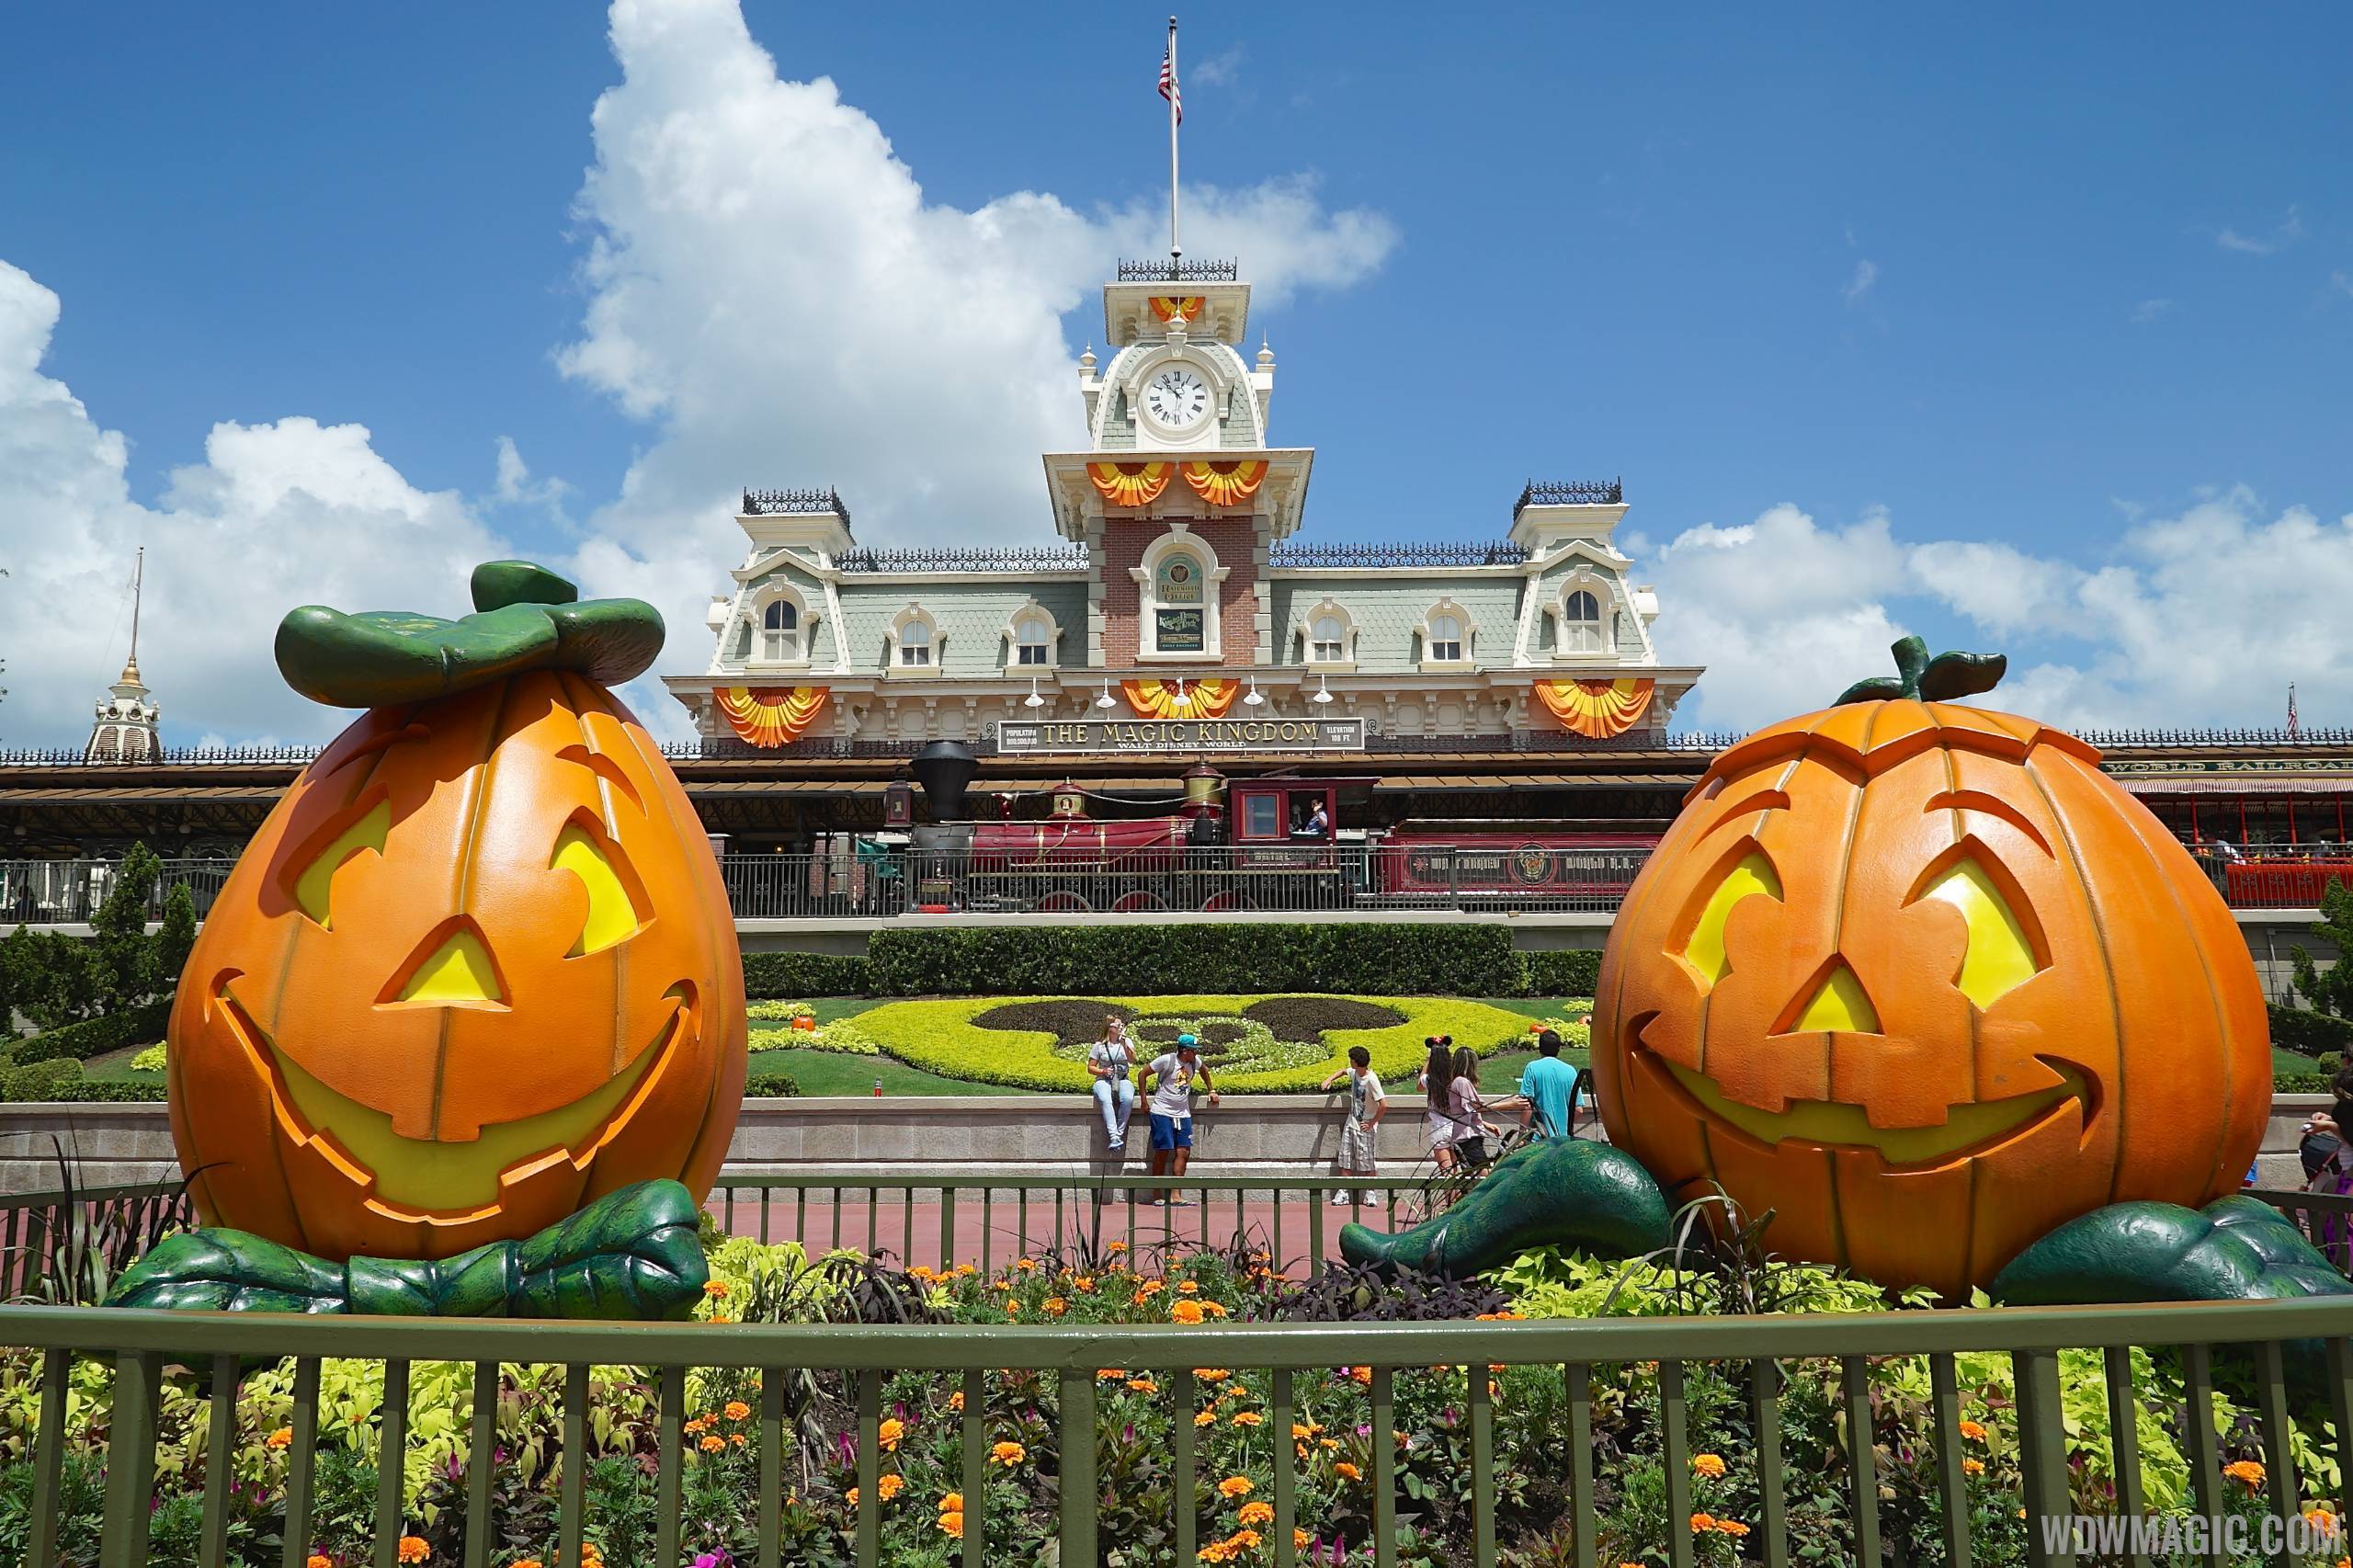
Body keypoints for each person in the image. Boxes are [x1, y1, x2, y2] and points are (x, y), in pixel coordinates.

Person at [1139, 1034, 1219, 1204]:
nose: (1196, 1054)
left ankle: (1176, 1194)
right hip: (1162, 1112)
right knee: (1162, 1151)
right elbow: (1142, 1074)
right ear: (1184, 1050)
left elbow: (1204, 1070)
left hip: (1183, 1114)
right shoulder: (1166, 1061)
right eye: (1194, 1050)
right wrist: (1144, 1101)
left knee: (1183, 1152)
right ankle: (1157, 1193)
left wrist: (1211, 1090)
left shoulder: (1194, 1062)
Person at [1318, 1045, 1387, 1204]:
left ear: (1356, 1062)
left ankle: (1371, 1193)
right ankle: (1343, 1192)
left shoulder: (1371, 1079)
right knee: (1345, 1158)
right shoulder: (1355, 1073)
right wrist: (1329, 1079)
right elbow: (1343, 1071)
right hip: (1351, 1123)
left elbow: (1384, 1104)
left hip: (1364, 1127)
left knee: (1367, 1161)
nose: (1350, 1063)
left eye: (1351, 1060)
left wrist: (1371, 1123)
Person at [1494, 1028, 1582, 1140]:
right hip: (1563, 1140)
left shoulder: (1532, 1068)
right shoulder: (1571, 1071)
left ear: (1540, 1048)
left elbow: (1527, 1105)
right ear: (1559, 1049)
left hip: (1538, 1139)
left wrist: (1522, 1136)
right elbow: (1579, 1110)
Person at [1448, 1043, 1504, 1169]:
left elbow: (1465, 1111)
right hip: (1468, 1141)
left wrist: (1484, 1124)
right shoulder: (1462, 1082)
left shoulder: (1456, 1082)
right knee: (1486, 1179)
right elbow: (1479, 1106)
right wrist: (1510, 1104)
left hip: (1466, 1140)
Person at [1086, 1015, 1138, 1152]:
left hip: (1122, 1078)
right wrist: (1103, 1071)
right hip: (1104, 1079)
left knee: (1127, 1099)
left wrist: (1124, 1043)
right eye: (1118, 1025)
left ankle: (1118, 1135)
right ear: (1110, 1027)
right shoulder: (1099, 1046)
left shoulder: (1126, 1042)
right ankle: (1113, 1135)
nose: (1121, 1027)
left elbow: (1133, 1060)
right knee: (1105, 1099)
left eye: (1122, 1025)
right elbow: (1090, 1068)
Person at [1416, 1036, 1460, 1173]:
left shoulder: (1429, 1079)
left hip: (1439, 1129)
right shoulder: (1456, 1078)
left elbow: (1419, 1086)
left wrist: (1428, 1060)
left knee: (1447, 1176)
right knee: (1457, 1173)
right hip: (1457, 1127)